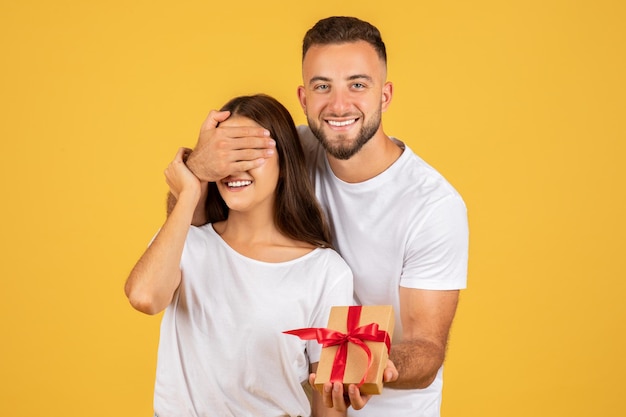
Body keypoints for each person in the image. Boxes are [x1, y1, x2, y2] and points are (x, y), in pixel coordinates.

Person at [178, 16, 469, 417]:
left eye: (357, 84)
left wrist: (368, 367)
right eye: (322, 86)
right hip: (297, 405)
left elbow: (428, 347)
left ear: (384, 95)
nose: (338, 105)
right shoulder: (286, 152)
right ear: (303, 97)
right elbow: (194, 231)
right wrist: (199, 167)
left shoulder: (433, 206)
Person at [126, 94, 354, 417]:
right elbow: (144, 296)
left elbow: (329, 405)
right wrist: (191, 186)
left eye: (252, 152)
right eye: (227, 154)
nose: (236, 167)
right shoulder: (186, 240)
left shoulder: (326, 273)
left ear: (285, 163)